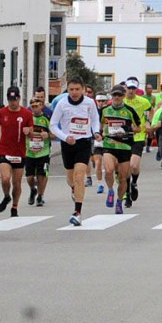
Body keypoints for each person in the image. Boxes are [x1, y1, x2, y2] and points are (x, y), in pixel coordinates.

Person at [49, 77, 100, 225]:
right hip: (68, 144)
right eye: (71, 89)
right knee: (71, 179)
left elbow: (95, 119)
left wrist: (96, 131)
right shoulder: (62, 104)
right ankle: (73, 188)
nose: (74, 92)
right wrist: (65, 138)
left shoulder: (90, 103)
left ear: (83, 89)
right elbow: (53, 125)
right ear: (68, 90)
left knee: (79, 176)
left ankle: (77, 212)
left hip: (84, 142)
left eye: (77, 89)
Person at [99, 86, 141, 214]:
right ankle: (111, 190)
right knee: (109, 170)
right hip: (109, 145)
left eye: (119, 95)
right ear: (111, 96)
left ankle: (119, 201)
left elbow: (139, 128)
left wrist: (128, 129)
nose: (116, 97)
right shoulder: (105, 110)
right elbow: (100, 125)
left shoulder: (129, 110)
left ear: (123, 96)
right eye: (114, 95)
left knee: (123, 178)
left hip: (125, 146)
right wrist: (102, 132)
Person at [0, 86, 33, 217]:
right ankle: (6, 196)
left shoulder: (27, 114)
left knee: (16, 182)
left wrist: (29, 132)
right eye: (10, 100)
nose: (12, 102)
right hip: (4, 150)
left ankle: (14, 207)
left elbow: (31, 133)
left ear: (19, 99)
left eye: (14, 100)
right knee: (5, 178)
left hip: (19, 152)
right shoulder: (1, 113)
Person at [123, 78, 152, 208]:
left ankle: (134, 183)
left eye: (133, 88)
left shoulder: (143, 101)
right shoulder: (121, 100)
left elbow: (150, 110)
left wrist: (148, 122)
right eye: (129, 88)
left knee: (134, 166)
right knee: (126, 167)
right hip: (123, 137)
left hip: (138, 136)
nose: (131, 91)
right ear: (125, 88)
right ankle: (127, 193)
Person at [25, 95, 52, 207]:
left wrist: (48, 135)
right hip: (29, 152)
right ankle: (33, 189)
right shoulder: (27, 118)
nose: (34, 108)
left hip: (43, 152)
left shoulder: (46, 118)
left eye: (36, 106)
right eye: (32, 106)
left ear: (41, 106)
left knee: (42, 175)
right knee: (30, 177)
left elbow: (55, 134)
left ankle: (40, 196)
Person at [91, 92, 111, 192]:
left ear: (107, 101)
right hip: (97, 140)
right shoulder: (93, 111)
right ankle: (100, 184)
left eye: (103, 101)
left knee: (109, 165)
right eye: (99, 101)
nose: (101, 103)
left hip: (108, 140)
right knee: (98, 162)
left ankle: (111, 181)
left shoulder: (110, 111)